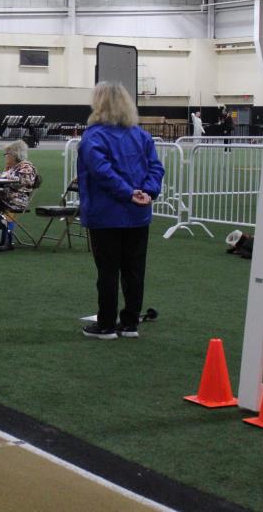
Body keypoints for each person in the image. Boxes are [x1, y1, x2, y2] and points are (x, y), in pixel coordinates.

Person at [77, 82, 164, 340]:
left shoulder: (94, 137)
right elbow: (156, 168)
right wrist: (147, 191)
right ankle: (129, 323)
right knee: (134, 271)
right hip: (138, 215)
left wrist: (128, 192)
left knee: (108, 271)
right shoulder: (141, 135)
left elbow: (101, 172)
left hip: (106, 215)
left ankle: (106, 324)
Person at [0, 140, 39, 214]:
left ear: (14, 154)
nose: (5, 156)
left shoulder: (27, 168)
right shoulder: (14, 167)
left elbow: (17, 182)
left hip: (14, 201)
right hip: (5, 197)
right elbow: (5, 178)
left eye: (6, 154)